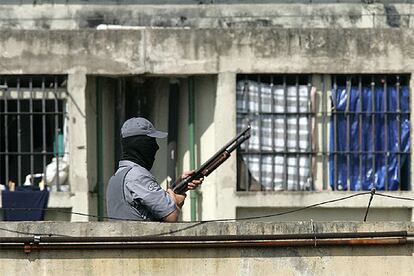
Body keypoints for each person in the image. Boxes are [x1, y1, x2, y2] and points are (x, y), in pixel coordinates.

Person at [106, 117, 202, 222]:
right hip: (143, 237)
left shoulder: (117, 177)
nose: (156, 147)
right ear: (142, 145)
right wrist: (176, 199)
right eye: (152, 141)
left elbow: (149, 206)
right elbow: (171, 215)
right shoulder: (137, 176)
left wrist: (180, 184)